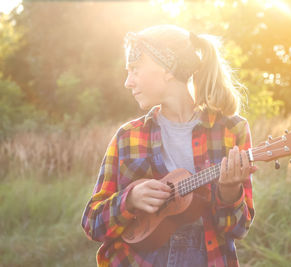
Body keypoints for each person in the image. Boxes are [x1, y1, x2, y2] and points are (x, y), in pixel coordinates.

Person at [81, 24, 257, 267]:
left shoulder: (231, 130)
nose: (127, 82)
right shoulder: (127, 137)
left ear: (166, 68)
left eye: (134, 69)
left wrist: (229, 191)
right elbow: (92, 223)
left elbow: (237, 229)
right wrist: (129, 200)